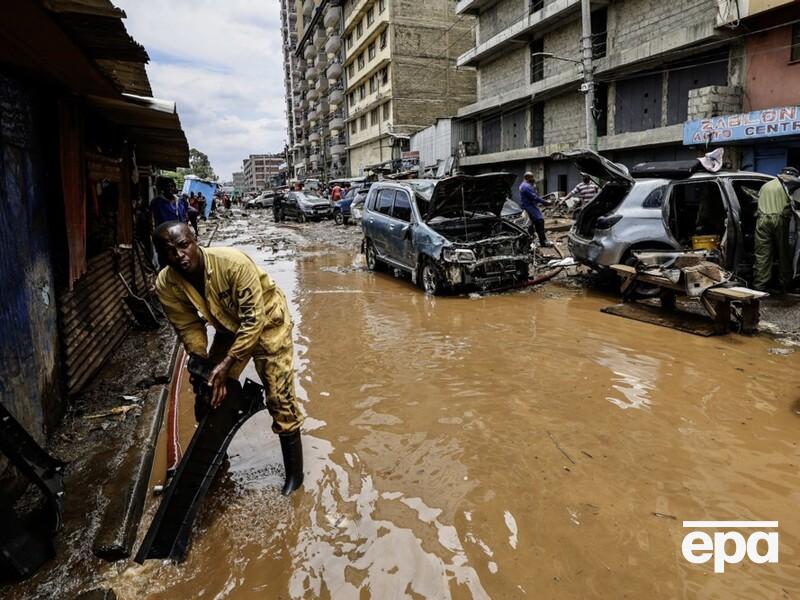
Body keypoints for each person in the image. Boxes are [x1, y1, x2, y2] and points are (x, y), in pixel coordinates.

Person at [152, 221, 305, 495]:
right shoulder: (166, 284)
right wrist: (201, 363)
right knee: (207, 391)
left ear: (195, 241)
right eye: (169, 251)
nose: (179, 255)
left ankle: (295, 476)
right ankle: (215, 464)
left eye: (184, 245)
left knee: (279, 396)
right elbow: (188, 326)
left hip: (268, 323)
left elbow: (253, 320)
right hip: (229, 327)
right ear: (161, 256)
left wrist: (227, 363)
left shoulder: (232, 264)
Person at [753, 166, 797, 292]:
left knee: (762, 255)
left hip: (762, 220)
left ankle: (759, 287)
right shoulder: (789, 186)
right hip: (780, 220)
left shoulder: (766, 186)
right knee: (784, 253)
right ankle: (785, 285)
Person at [519, 172, 552, 247]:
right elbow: (535, 197)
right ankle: (542, 242)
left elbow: (535, 195)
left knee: (532, 224)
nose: (533, 179)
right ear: (527, 177)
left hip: (529, 206)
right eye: (532, 177)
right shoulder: (526, 186)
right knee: (539, 221)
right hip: (529, 207)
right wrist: (545, 202)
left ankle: (532, 242)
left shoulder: (524, 185)